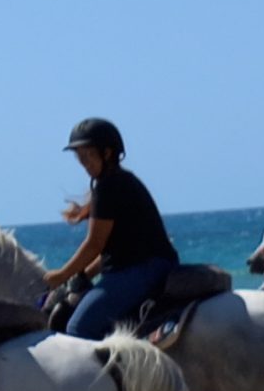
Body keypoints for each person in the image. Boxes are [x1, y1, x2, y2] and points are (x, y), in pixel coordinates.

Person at [45, 117, 180, 339]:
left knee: (79, 329)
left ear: (107, 153)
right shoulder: (121, 181)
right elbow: (113, 249)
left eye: (88, 154)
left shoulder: (108, 188)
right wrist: (84, 274)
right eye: (80, 156)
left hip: (141, 269)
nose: (84, 162)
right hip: (150, 265)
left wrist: (60, 275)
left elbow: (94, 244)